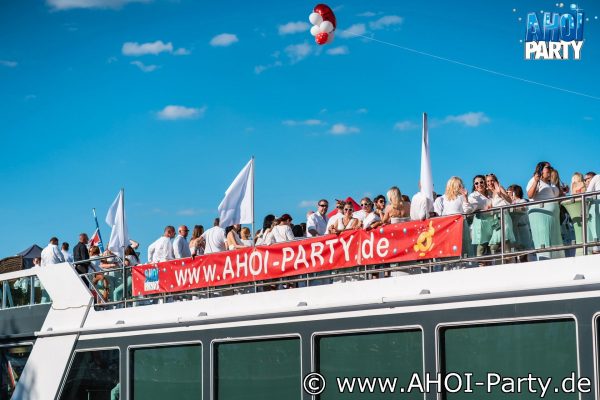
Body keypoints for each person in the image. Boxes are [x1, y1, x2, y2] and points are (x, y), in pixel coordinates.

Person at [526, 161, 564, 260]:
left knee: (555, 240)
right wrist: (536, 181)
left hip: (553, 217)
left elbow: (556, 196)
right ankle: (544, 259)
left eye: (551, 168)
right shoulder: (534, 180)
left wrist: (563, 191)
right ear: (540, 170)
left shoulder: (551, 183)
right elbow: (530, 195)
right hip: (541, 216)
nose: (550, 170)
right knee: (544, 239)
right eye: (548, 167)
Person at [486, 174, 516, 255]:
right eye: (488, 181)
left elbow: (510, 201)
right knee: (494, 246)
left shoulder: (500, 188)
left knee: (506, 242)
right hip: (496, 220)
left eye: (492, 180)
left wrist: (501, 194)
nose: (490, 183)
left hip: (504, 217)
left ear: (495, 181)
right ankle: (501, 260)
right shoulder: (490, 194)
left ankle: (509, 260)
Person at [469, 175, 493, 257]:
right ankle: (481, 264)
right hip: (480, 224)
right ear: (474, 186)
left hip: (491, 223)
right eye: (476, 183)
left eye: (481, 182)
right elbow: (468, 209)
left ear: (485, 183)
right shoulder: (473, 196)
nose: (479, 184)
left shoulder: (490, 194)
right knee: (481, 249)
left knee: (491, 249)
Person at [586, 171, 600, 252]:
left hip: (597, 207)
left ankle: (596, 248)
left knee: (595, 227)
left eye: (587, 179)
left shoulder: (596, 177)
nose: (586, 181)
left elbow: (587, 195)